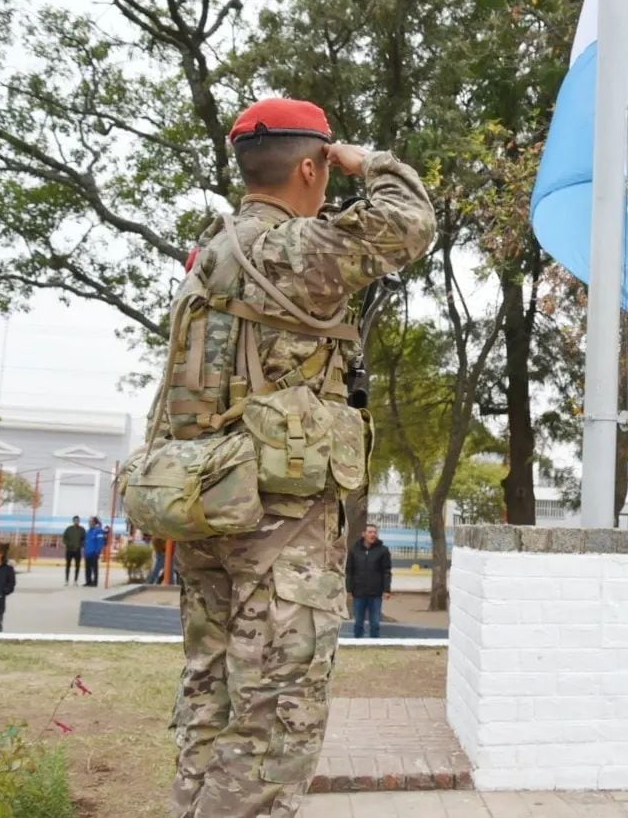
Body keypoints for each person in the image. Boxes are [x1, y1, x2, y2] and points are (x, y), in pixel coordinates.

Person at [162, 97, 435, 818]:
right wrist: (365, 160)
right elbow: (409, 219)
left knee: (211, 690)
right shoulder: (292, 250)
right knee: (279, 706)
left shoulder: (208, 257)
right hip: (274, 517)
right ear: (312, 167)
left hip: (204, 502)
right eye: (325, 165)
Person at [346, 524, 392, 638]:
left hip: (375, 593)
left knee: (375, 622)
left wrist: (386, 590)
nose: (373, 534)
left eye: (375, 532)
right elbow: (349, 571)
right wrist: (349, 589)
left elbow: (386, 571)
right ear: (364, 534)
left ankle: (374, 644)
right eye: (370, 532)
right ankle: (357, 643)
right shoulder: (354, 550)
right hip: (359, 593)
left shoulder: (383, 550)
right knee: (358, 623)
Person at [62, 515, 86, 586]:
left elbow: (84, 539)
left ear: (79, 521)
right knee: (68, 565)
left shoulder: (82, 530)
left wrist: (81, 545)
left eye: (78, 520)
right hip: (69, 550)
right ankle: (66, 580)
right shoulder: (69, 529)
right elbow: (64, 538)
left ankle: (75, 581)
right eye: (75, 520)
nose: (76, 521)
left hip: (77, 550)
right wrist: (68, 544)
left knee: (77, 566)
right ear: (73, 521)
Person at [83, 516, 106, 587]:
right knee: (87, 568)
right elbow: (86, 542)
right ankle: (88, 581)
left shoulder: (98, 530)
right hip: (87, 553)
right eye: (89, 521)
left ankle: (94, 582)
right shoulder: (88, 531)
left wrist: (97, 551)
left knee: (94, 569)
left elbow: (100, 542)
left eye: (91, 521)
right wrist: (85, 551)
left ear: (94, 522)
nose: (89, 523)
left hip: (94, 553)